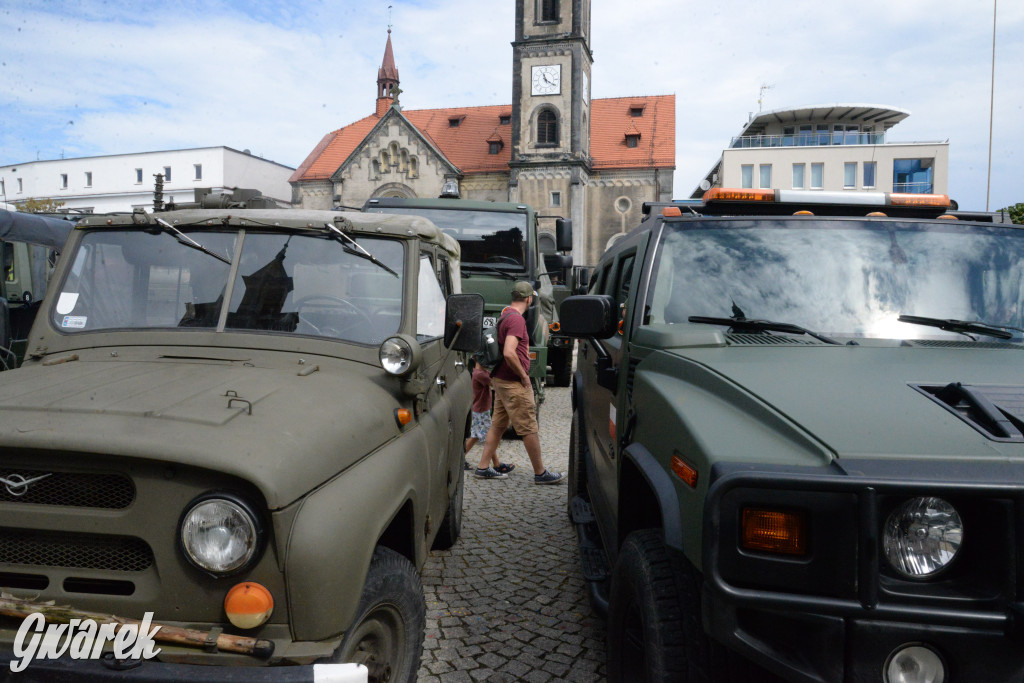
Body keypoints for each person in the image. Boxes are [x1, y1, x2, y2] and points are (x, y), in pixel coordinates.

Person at [475, 281, 564, 484]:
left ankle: (482, 467)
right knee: (528, 426)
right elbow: (508, 352)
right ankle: (541, 473)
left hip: (500, 378)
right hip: (513, 382)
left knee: (498, 425)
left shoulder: (505, 315)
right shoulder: (516, 320)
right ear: (529, 299)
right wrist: (524, 376)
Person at [465, 357, 515, 475]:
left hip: (482, 410)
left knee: (485, 436)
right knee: (482, 436)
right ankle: (462, 458)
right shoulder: (479, 374)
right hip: (480, 411)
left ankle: (496, 464)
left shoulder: (480, 372)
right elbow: (494, 382)